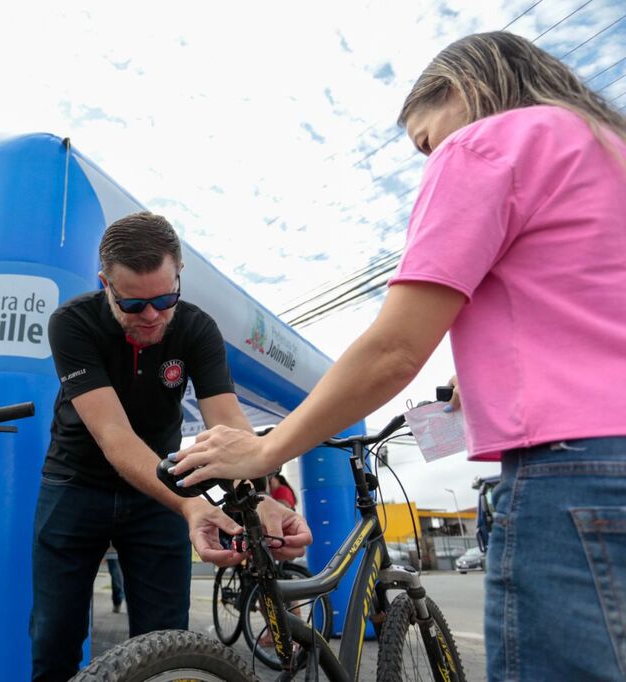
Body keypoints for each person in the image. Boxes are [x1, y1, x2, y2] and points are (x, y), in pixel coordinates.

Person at [170, 31, 626, 681]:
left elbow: (393, 348)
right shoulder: (608, 150)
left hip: (575, 472)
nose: (430, 158)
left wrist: (266, 451)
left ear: (465, 91)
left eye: (425, 141)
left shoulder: (488, 142)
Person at [29, 211, 312, 681]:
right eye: (133, 305)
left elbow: (228, 425)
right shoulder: (71, 324)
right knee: (54, 637)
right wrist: (190, 505)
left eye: (165, 298)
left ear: (179, 275)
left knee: (164, 641)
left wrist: (256, 496)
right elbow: (116, 439)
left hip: (157, 490)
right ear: (104, 283)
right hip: (74, 484)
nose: (153, 316)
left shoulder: (197, 328)